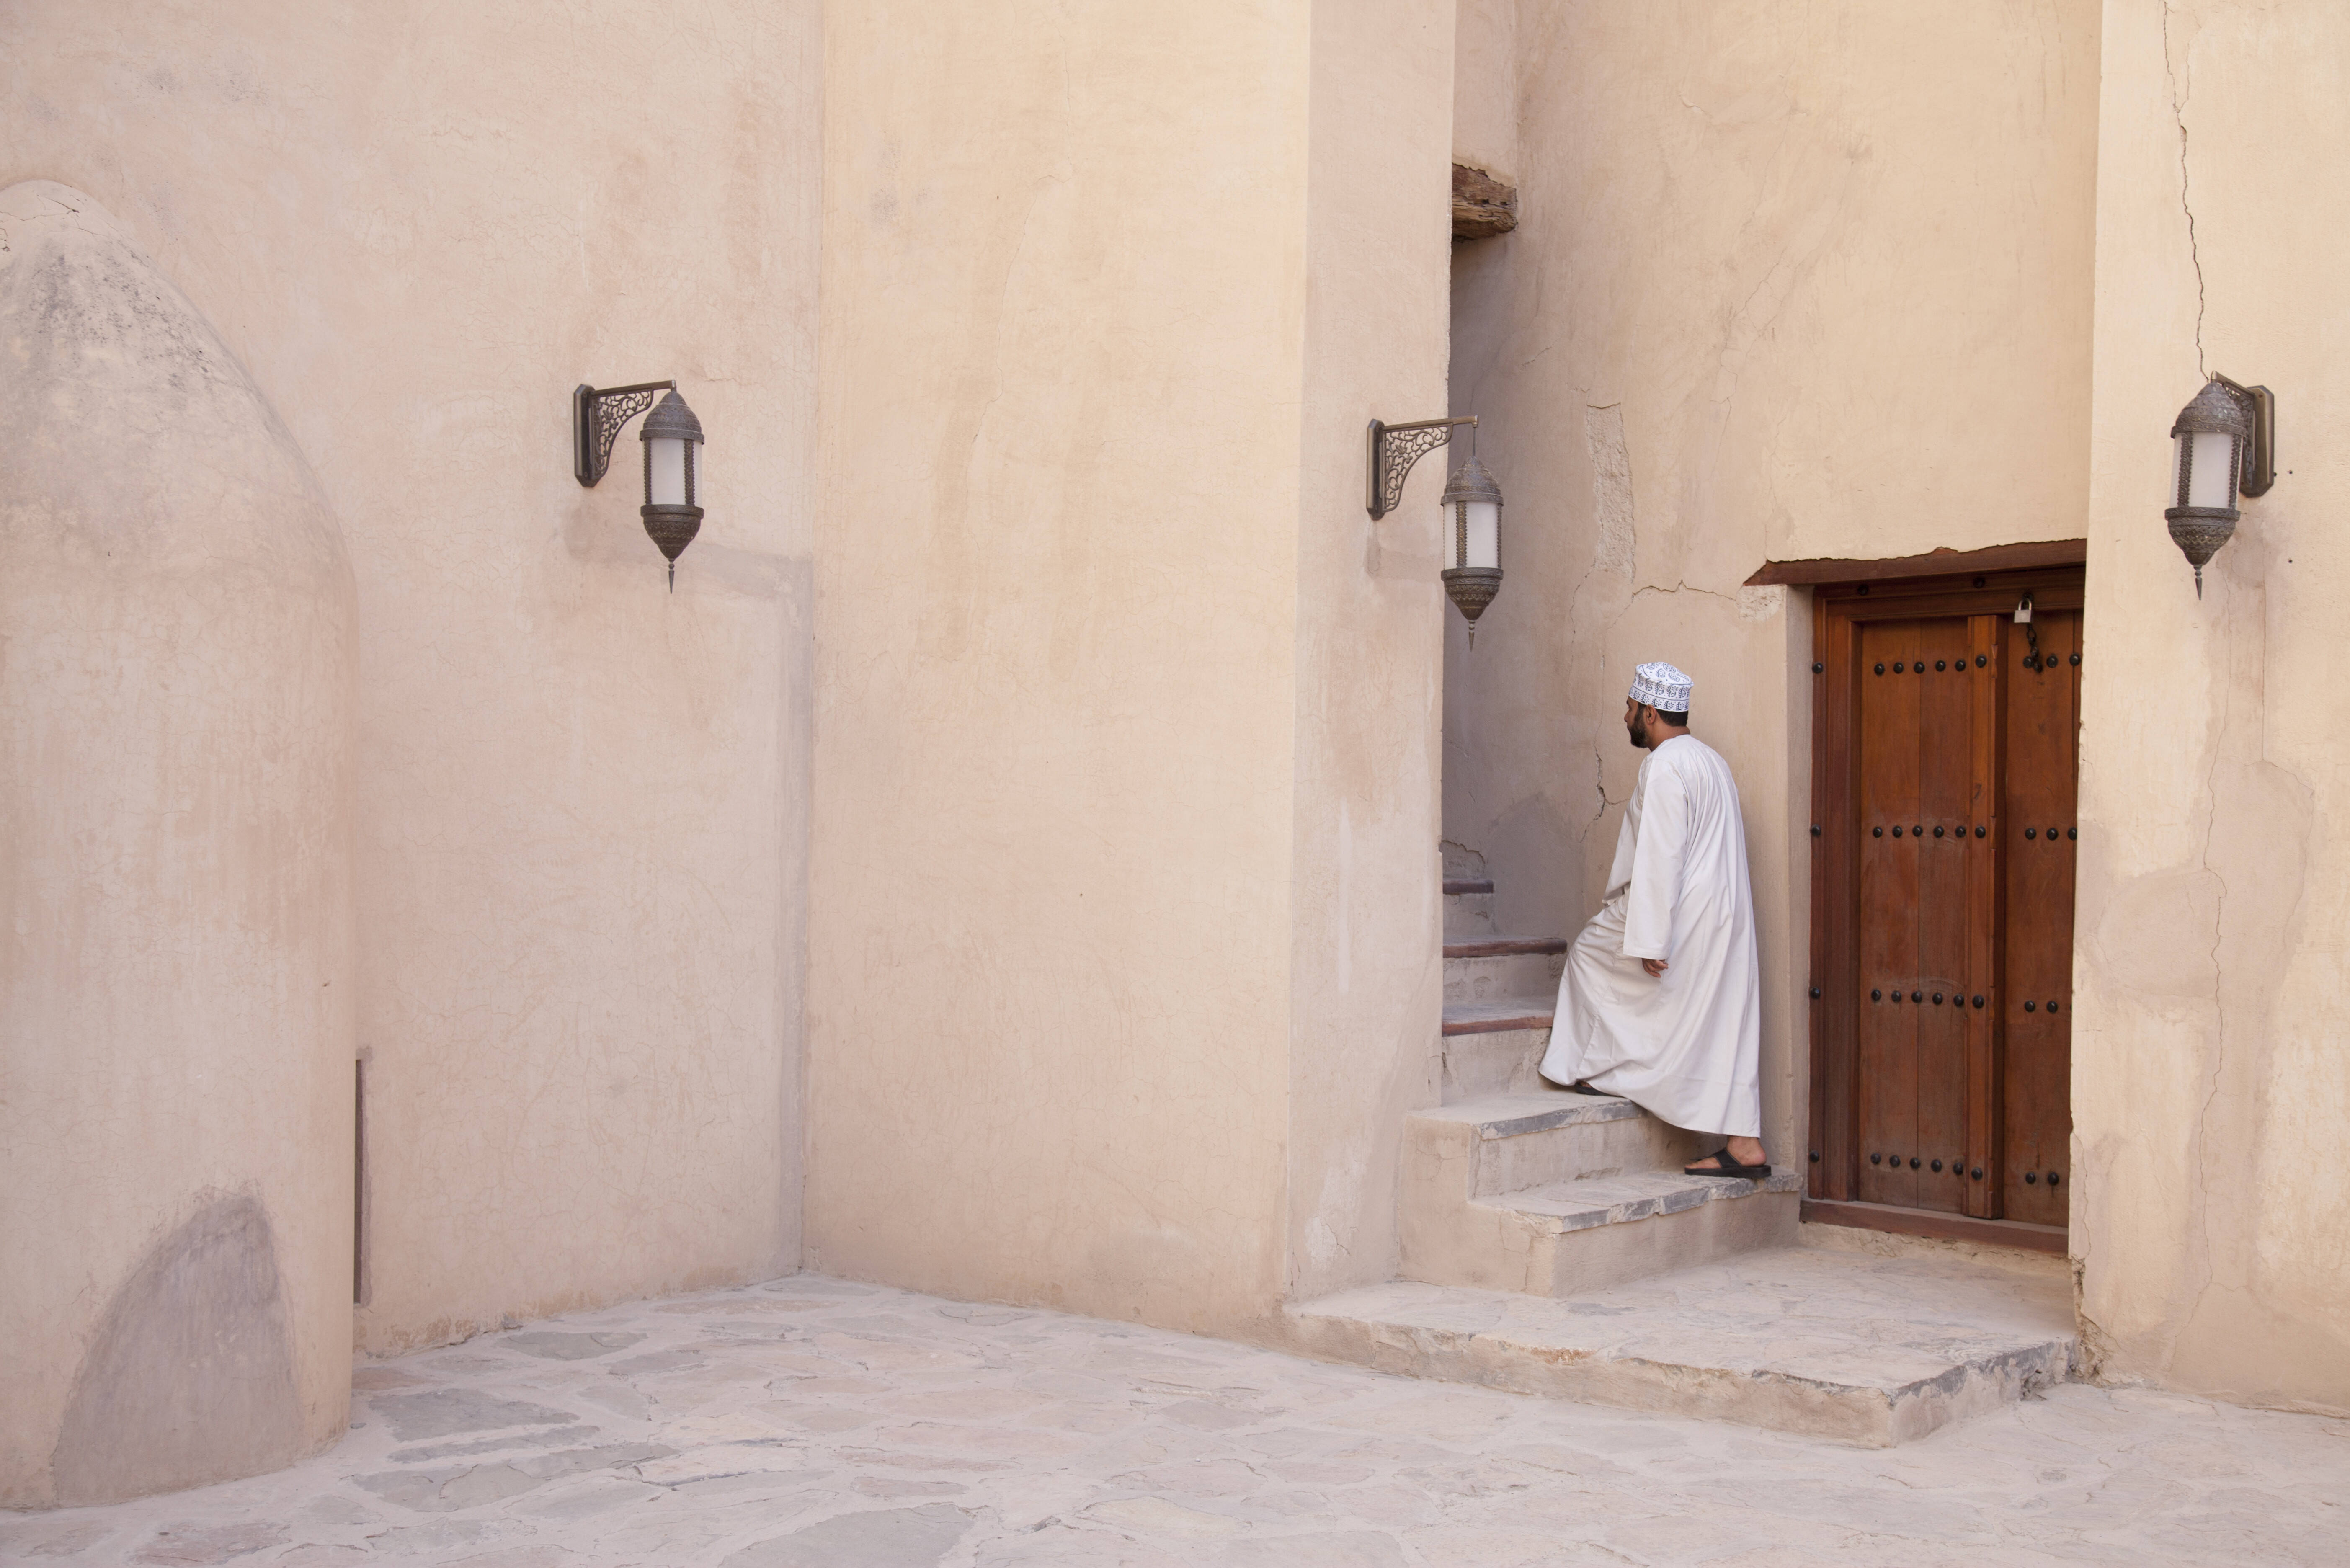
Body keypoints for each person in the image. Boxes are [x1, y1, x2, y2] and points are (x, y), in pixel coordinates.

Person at [1537, 662, 1767, 1177]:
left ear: (1650, 711)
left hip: (1684, 908)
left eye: (1629, 708)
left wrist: (1649, 937)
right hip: (1725, 913)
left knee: (1590, 954)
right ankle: (1745, 1143)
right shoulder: (1712, 761)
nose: (1625, 717)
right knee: (1723, 1018)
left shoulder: (1664, 765)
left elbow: (1661, 856)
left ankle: (1597, 1067)